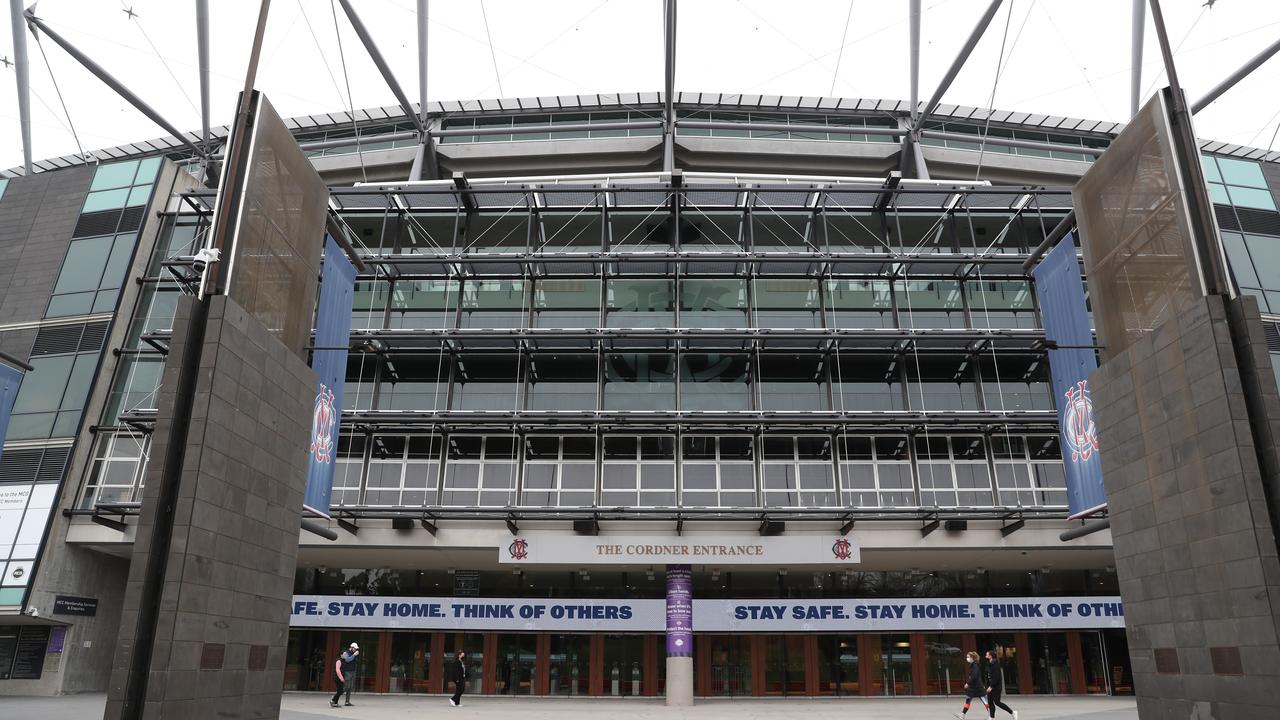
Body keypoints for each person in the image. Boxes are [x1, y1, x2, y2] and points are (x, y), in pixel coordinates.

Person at [955, 651, 990, 719]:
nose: (967, 658)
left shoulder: (975, 665)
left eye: (968, 657)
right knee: (968, 700)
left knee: (985, 701)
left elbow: (974, 676)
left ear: (972, 658)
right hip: (973, 687)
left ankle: (991, 715)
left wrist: (968, 683)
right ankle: (963, 714)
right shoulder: (973, 665)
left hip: (977, 687)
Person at [985, 649, 1017, 719]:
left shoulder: (995, 664)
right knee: (990, 702)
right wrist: (987, 685)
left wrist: (991, 686)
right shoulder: (989, 664)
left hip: (996, 687)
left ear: (990, 656)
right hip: (990, 686)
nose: (986, 655)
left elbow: (996, 677)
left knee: (997, 702)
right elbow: (988, 676)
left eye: (987, 654)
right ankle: (992, 717)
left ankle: (1012, 712)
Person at [330, 642, 359, 708]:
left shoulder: (352, 653)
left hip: (352, 671)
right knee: (346, 687)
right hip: (347, 672)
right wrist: (354, 655)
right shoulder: (346, 653)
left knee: (350, 687)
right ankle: (335, 697)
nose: (356, 650)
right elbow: (348, 660)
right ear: (351, 647)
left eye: (356, 649)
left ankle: (347, 701)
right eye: (355, 648)